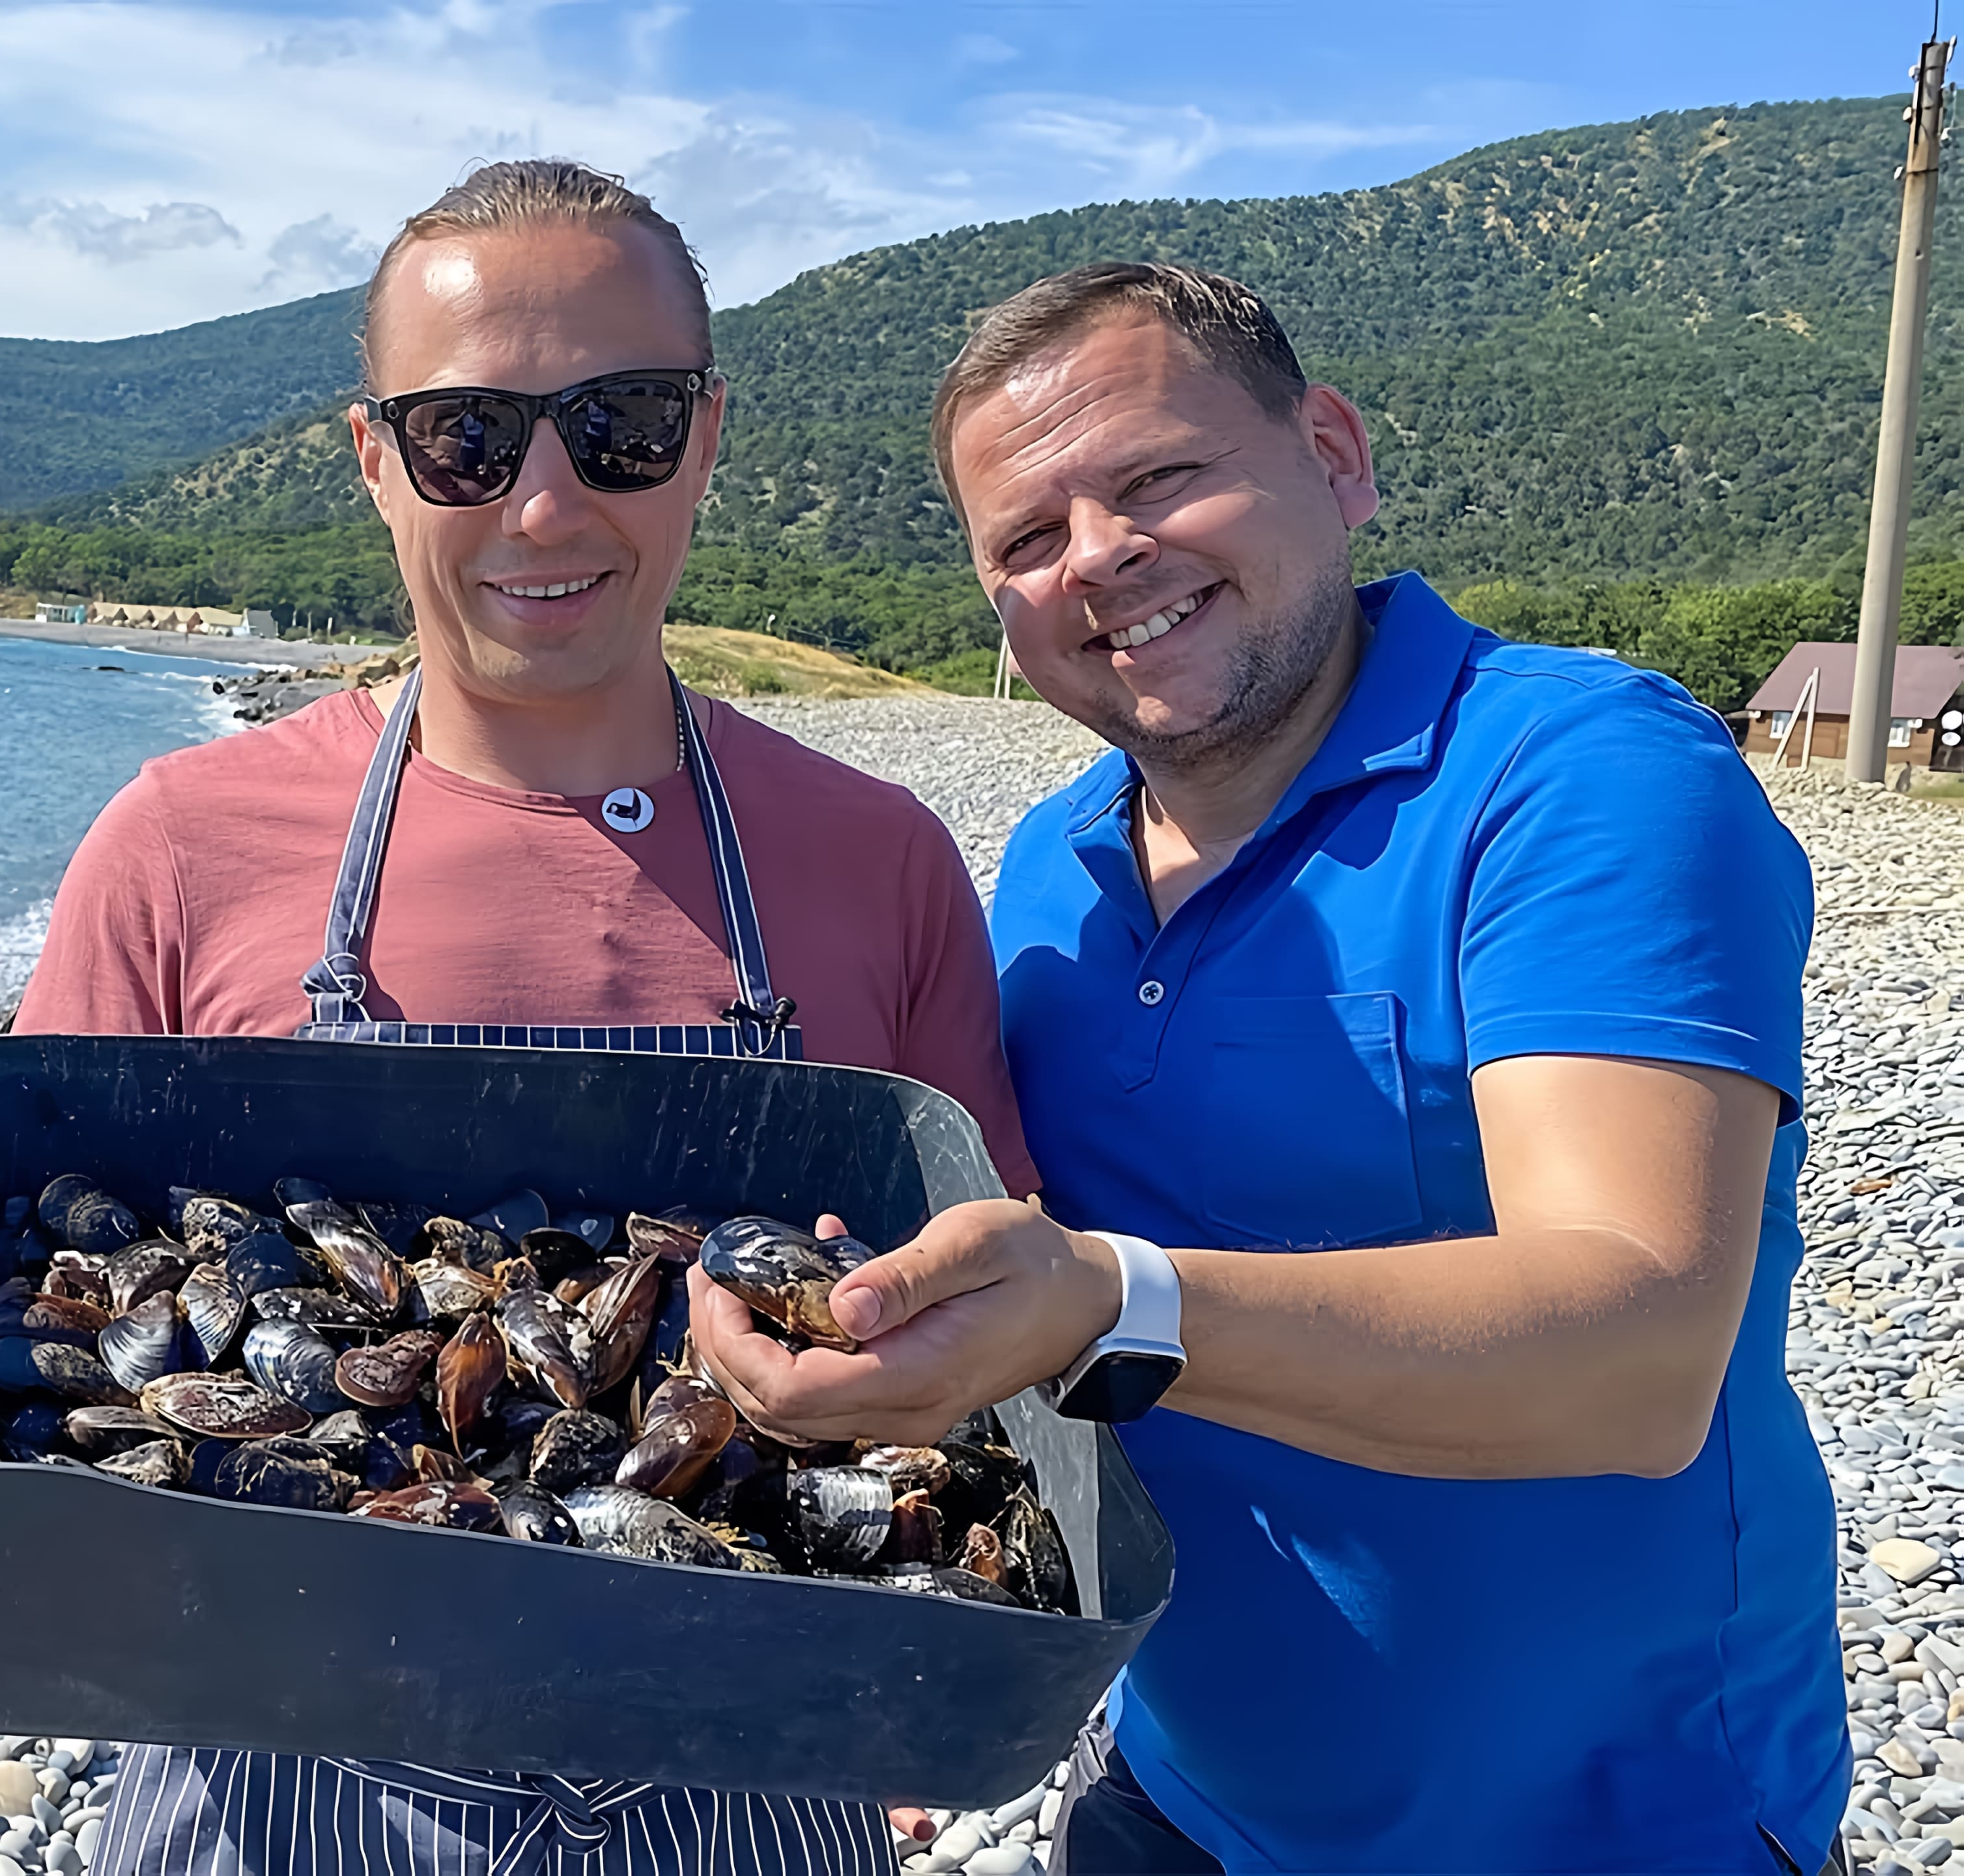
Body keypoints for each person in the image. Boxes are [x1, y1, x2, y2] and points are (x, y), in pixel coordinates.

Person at [0, 159, 1041, 1873]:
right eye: (468, 438)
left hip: (750, 1799)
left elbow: (1001, 1371)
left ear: (709, 439)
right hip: (255, 1806)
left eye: (623, 424)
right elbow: (13, 1321)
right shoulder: (178, 846)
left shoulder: (877, 864)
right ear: (376, 461)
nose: (545, 503)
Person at [690, 261, 1845, 1871]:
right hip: (1175, 1792)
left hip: (1605, 1827)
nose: (1098, 557)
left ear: (1333, 454)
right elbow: (1039, 1296)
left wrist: (1112, 1303)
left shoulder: (1577, 776)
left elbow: (1638, 1350)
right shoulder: (1048, 869)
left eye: (1159, 477)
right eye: (1025, 540)